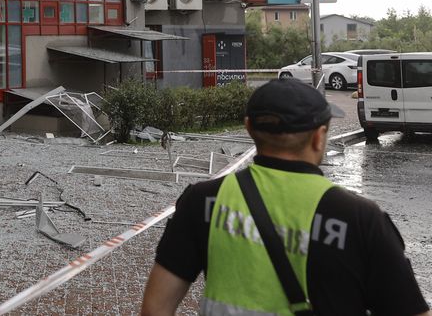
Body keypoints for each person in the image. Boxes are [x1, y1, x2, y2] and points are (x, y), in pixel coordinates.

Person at [141, 78, 429, 316]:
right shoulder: (360, 218)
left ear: (249, 128)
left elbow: (155, 309)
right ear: (319, 137)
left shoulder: (201, 201)